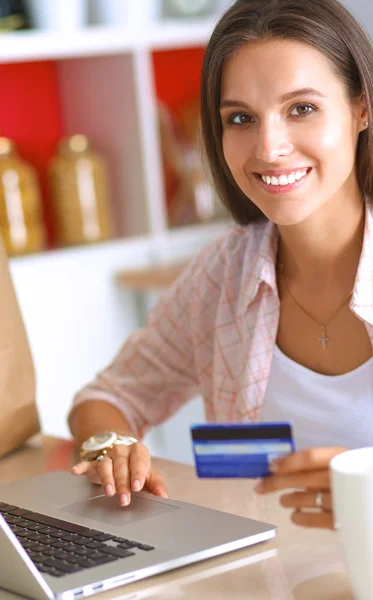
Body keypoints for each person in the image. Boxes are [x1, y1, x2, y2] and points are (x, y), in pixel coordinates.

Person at [68, 0, 373, 531]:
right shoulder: (225, 274)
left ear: (361, 108)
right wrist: (111, 448)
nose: (269, 147)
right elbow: (107, 397)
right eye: (241, 118)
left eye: (302, 108)